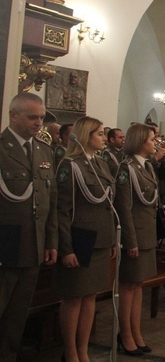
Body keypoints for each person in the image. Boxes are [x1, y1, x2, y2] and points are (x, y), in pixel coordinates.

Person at [0, 93, 57, 360]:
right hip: (6, 242)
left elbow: (50, 203)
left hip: (33, 244)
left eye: (41, 117)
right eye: (33, 117)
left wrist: (51, 242)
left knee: (17, 315)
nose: (39, 123)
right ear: (14, 115)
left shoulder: (43, 150)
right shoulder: (2, 148)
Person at [55, 116, 116, 362]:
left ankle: (83, 349)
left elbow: (107, 205)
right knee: (73, 298)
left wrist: (111, 240)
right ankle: (70, 352)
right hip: (79, 239)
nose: (103, 138)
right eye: (99, 134)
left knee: (90, 296)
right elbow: (62, 210)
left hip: (100, 239)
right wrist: (66, 248)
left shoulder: (100, 164)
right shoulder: (69, 165)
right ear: (85, 136)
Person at [113, 123, 159, 355]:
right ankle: (125, 334)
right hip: (135, 236)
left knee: (138, 285)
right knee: (128, 285)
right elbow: (124, 208)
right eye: (151, 139)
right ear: (141, 142)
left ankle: (136, 331)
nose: (155, 143)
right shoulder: (126, 168)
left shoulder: (147, 167)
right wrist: (130, 241)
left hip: (147, 233)